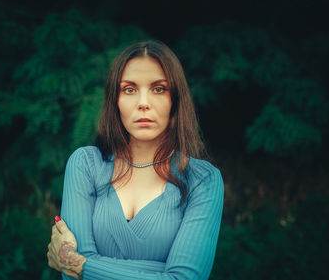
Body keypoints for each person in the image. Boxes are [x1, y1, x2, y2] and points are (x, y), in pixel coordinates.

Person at [47, 40, 224, 280]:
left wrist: (84, 267)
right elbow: (68, 277)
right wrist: (158, 272)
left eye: (159, 89)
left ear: (175, 101)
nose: (143, 103)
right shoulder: (85, 164)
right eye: (129, 89)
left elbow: (184, 279)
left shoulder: (202, 180)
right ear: (115, 101)